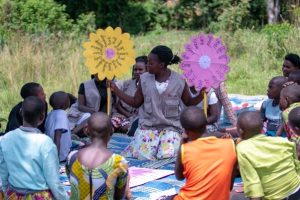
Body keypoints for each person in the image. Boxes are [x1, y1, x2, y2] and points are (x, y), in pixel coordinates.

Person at [110, 45, 204, 160]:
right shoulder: (144, 79)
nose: (147, 65)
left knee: (167, 155)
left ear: (161, 65)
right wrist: (117, 91)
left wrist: (201, 94)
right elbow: (135, 102)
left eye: (150, 63)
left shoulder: (179, 80)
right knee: (143, 155)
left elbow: (189, 102)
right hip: (148, 127)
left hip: (171, 128)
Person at [0, 96, 68, 200]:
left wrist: (6, 191)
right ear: (42, 117)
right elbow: (53, 180)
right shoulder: (46, 143)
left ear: (21, 112)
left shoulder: (5, 139)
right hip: (40, 196)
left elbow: (3, 170)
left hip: (14, 194)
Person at [173, 107, 237, 200]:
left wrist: (181, 145)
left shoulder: (186, 149)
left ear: (186, 131)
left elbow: (179, 177)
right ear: (206, 125)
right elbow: (229, 187)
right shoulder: (230, 145)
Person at [236, 111, 300, 200]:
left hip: (274, 196)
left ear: (240, 131)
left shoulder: (242, 148)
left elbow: (252, 182)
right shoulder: (283, 142)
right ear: (262, 128)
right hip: (295, 189)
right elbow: (296, 164)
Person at [67, 112, 129, 200]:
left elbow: (74, 184)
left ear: (86, 130)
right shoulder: (119, 162)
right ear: (112, 130)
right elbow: (118, 197)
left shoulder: (71, 157)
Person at [111, 56, 147, 133]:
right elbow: (117, 105)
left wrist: (131, 117)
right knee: (110, 125)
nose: (137, 72)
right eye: (135, 70)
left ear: (147, 71)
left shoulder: (150, 87)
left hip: (137, 119)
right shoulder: (126, 84)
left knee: (127, 127)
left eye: (140, 70)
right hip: (121, 115)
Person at [45, 91, 71, 162]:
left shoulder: (50, 113)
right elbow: (57, 136)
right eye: (68, 100)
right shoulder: (61, 114)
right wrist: (56, 158)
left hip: (51, 149)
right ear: (63, 105)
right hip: (60, 154)